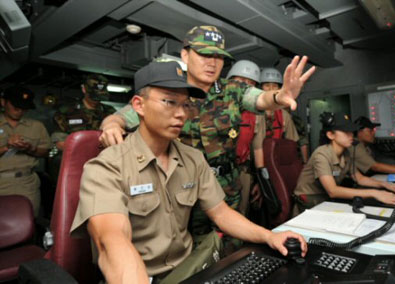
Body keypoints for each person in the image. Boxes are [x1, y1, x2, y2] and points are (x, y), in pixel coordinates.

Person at [70, 61, 307, 284]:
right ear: (139, 105)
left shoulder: (192, 158)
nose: (182, 113)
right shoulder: (108, 166)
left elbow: (222, 214)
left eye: (185, 104)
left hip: (191, 270)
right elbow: (111, 241)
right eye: (169, 102)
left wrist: (269, 236)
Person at [98, 25, 315, 238]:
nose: (212, 63)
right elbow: (124, 115)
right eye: (204, 54)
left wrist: (279, 95)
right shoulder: (169, 90)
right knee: (184, 252)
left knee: (231, 247)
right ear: (185, 54)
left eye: (218, 57)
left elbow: (260, 98)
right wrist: (111, 124)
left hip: (226, 189)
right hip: (182, 190)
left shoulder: (232, 90)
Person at [293, 112, 395, 214]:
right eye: (345, 132)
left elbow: (360, 179)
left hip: (325, 198)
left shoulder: (346, 153)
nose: (351, 135)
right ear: (331, 135)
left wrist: (384, 184)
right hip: (310, 200)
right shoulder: (321, 155)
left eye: (351, 131)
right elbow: (333, 191)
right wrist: (375, 193)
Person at [0, 86, 51, 216]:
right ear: (3, 102)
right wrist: (7, 147)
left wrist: (29, 148)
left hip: (27, 184)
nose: (20, 111)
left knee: (28, 224)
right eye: (15, 106)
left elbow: (46, 153)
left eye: (24, 108)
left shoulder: (37, 126)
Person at [226, 59, 263, 216]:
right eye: (240, 81)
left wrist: (261, 182)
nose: (244, 87)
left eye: (250, 83)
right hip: (211, 173)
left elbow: (258, 149)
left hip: (243, 172)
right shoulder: (213, 106)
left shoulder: (257, 115)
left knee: (240, 215)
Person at [254, 68, 309, 164]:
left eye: (274, 86)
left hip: (277, 159)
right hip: (253, 161)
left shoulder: (284, 115)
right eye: (267, 85)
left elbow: (292, 142)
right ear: (261, 88)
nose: (271, 89)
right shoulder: (253, 112)